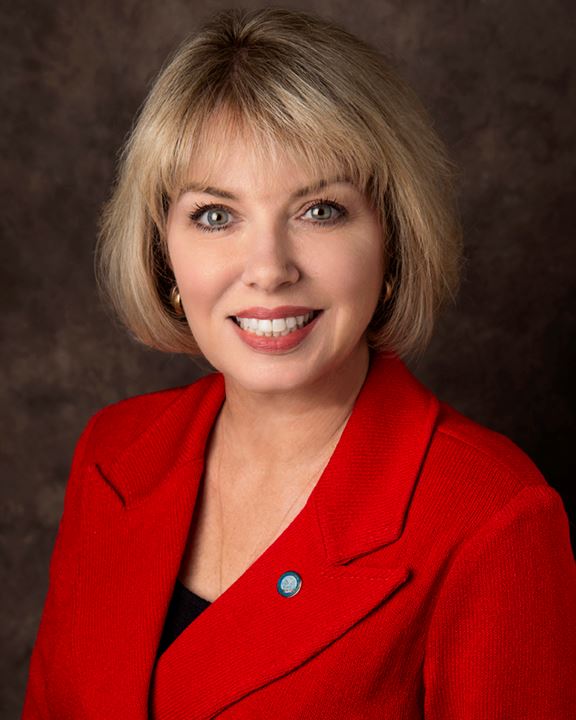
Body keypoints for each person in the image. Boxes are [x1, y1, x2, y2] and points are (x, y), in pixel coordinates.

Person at [22, 7, 575, 720]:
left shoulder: (494, 518)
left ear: (392, 237)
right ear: (163, 248)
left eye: (320, 210)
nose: (269, 268)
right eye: (216, 215)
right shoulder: (112, 454)